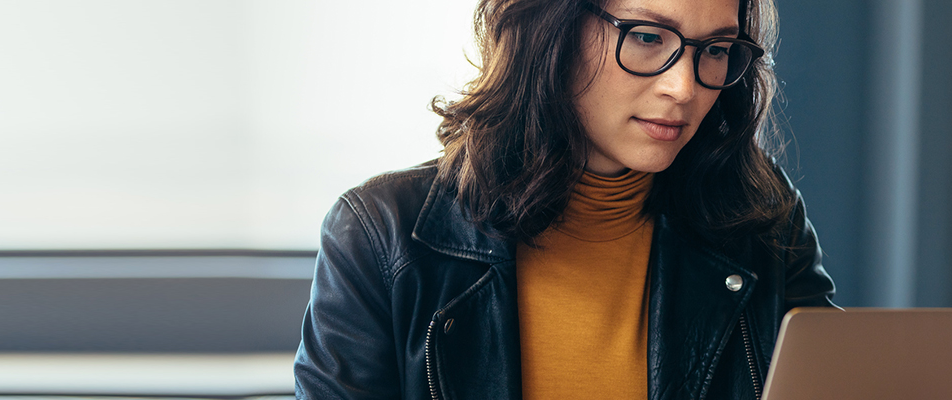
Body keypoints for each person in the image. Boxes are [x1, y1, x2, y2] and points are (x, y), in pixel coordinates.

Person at [292, 0, 837, 398]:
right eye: (648, 37)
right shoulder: (379, 234)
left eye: (715, 50)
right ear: (553, 27)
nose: (685, 89)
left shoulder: (763, 221)